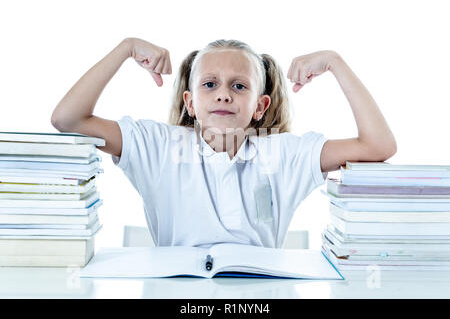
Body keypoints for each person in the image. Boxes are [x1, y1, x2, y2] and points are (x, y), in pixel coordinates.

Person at [51, 37, 396, 248]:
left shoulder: (285, 154)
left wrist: (335, 62)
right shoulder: (156, 146)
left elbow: (378, 145)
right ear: (190, 102)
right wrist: (125, 48)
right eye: (210, 84)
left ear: (260, 107)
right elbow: (68, 120)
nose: (224, 95)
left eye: (239, 86)